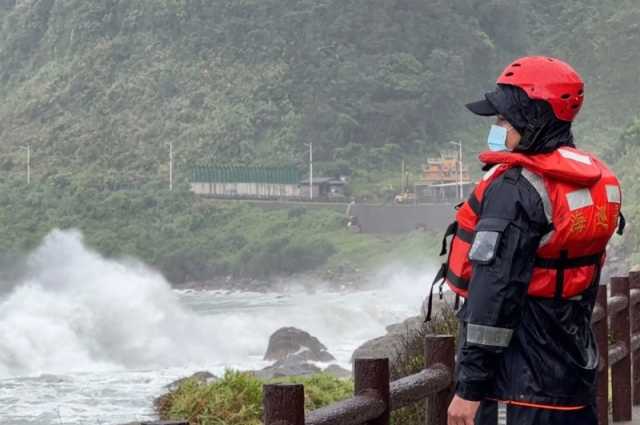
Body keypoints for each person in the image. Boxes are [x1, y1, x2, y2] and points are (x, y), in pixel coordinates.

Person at [432, 56, 624, 425]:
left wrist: (469, 388)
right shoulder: (592, 183)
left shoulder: (515, 190)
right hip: (573, 382)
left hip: (515, 391)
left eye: (503, 119)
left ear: (532, 117)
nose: (497, 128)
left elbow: (495, 295)